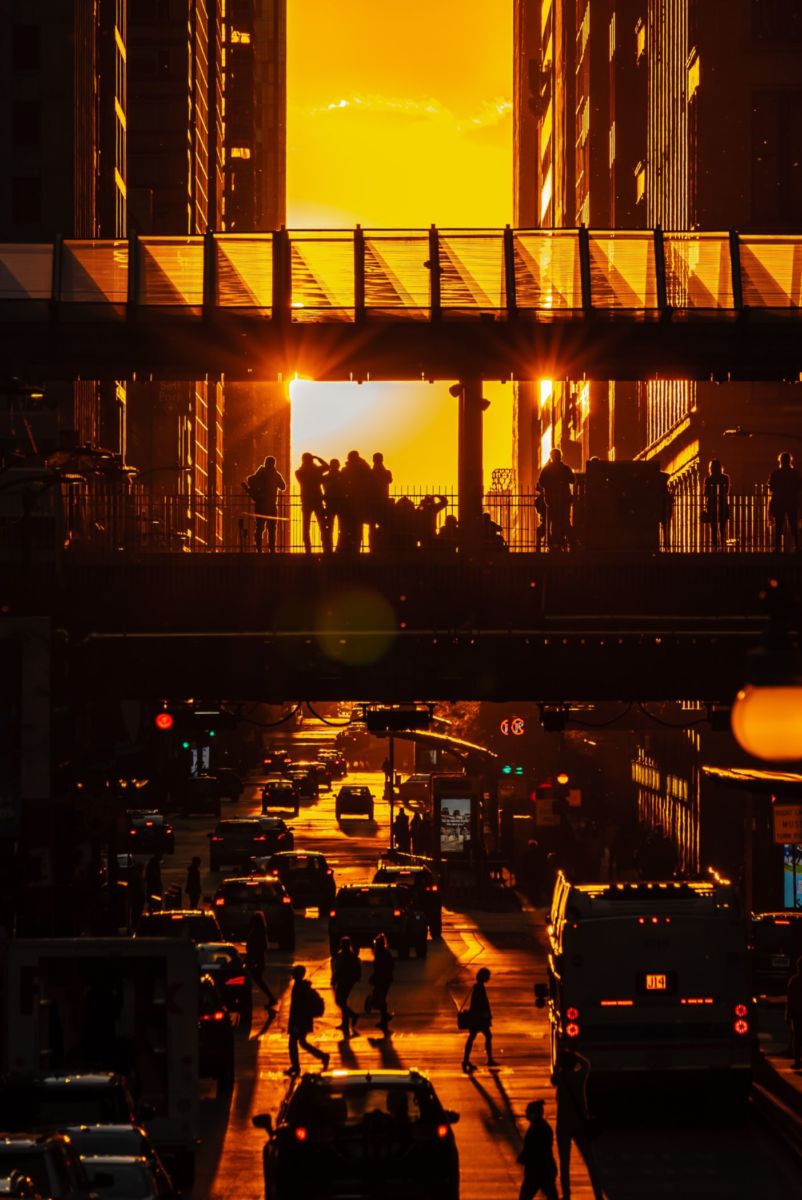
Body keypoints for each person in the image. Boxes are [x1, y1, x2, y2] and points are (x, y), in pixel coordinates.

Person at [553, 1049, 603, 1200]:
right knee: (591, 1161)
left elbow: (553, 1078)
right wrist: (574, 1055)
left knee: (564, 1163)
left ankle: (567, 1194)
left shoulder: (560, 1079)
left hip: (563, 1125)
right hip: (580, 1124)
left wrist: (558, 1066)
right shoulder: (578, 1078)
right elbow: (586, 1065)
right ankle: (598, 1195)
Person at [286, 964, 330, 1076]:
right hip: (303, 1020)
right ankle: (323, 1056)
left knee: (293, 1043)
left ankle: (296, 1067)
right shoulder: (302, 986)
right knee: (302, 1042)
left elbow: (297, 1007)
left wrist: (294, 1024)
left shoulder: (299, 988)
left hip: (299, 1021)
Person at [517, 1099, 559, 1200]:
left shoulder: (538, 1128)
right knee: (551, 1195)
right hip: (544, 1169)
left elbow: (534, 1148)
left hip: (537, 1170)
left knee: (525, 1196)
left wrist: (524, 1157)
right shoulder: (540, 1126)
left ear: (535, 1113)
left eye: (528, 1111)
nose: (526, 1113)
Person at [243, 455, 286, 553]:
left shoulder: (261, 472)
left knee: (260, 527)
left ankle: (259, 547)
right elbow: (283, 486)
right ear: (273, 464)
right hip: (270, 504)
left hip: (261, 503)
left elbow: (250, 480)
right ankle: (271, 548)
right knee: (271, 528)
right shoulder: (275, 474)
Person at [537, 449, 574, 551]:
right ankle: (570, 542)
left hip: (552, 499)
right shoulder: (565, 469)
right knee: (565, 520)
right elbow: (573, 480)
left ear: (551, 457)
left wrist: (550, 486)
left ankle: (554, 543)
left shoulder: (547, 469)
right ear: (560, 456)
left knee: (553, 520)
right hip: (563, 499)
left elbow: (541, 481)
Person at [462, 966, 498, 1071]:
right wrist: (486, 1014)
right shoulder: (479, 988)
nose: (489, 978)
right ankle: (488, 1059)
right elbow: (480, 1003)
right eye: (488, 976)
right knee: (486, 1036)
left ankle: (466, 1060)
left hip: (477, 1017)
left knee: (474, 1037)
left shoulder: (478, 986)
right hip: (479, 1018)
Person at [295, 452, 331, 554]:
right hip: (317, 499)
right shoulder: (316, 471)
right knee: (323, 526)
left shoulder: (299, 472)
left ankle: (308, 550)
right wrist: (318, 457)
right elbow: (327, 466)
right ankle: (326, 549)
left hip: (306, 500)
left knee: (306, 527)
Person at [768, 451, 802, 553]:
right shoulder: (795, 473)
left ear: (780, 461)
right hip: (792, 502)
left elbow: (772, 487)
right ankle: (797, 546)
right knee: (793, 525)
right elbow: (799, 487)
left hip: (779, 502)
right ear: (790, 461)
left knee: (778, 525)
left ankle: (778, 547)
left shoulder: (775, 473)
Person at [340, 450, 373, 553]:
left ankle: (353, 548)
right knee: (355, 528)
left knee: (352, 527)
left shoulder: (350, 469)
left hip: (351, 501)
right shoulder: (360, 469)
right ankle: (355, 548)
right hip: (356, 501)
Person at [331, 935, 362, 1038]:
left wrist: (334, 979)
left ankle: (352, 1015)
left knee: (340, 1001)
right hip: (349, 981)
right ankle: (345, 1023)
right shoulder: (352, 956)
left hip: (344, 981)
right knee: (342, 1001)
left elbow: (338, 970)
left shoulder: (343, 956)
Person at [245, 912, 277, 1007]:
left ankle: (271, 998)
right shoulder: (259, 932)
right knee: (256, 980)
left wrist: (251, 960)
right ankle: (271, 998)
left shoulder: (256, 933)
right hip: (256, 960)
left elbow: (256, 949)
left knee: (252, 980)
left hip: (255, 961)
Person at [368, 933, 395, 1030]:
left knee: (380, 997)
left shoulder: (381, 953)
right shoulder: (384, 952)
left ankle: (385, 1017)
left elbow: (380, 967)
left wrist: (377, 976)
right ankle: (384, 1018)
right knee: (381, 997)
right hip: (385, 978)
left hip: (383, 979)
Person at [702, 457, 730, 551]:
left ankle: (714, 545)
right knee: (722, 526)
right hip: (722, 503)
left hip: (712, 504)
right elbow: (726, 491)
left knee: (713, 526)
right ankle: (722, 544)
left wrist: (711, 494)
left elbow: (705, 493)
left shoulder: (708, 479)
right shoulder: (725, 478)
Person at [370, 452, 393, 550]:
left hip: (375, 501)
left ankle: (376, 546)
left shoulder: (372, 473)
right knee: (382, 525)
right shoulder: (386, 472)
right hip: (381, 501)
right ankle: (378, 546)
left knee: (375, 525)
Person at [323, 458, 345, 551]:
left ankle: (328, 548)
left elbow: (325, 488)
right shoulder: (343, 476)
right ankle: (339, 547)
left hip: (330, 503)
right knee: (341, 528)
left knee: (329, 527)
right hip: (339, 503)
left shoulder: (326, 477)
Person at [786, 955, 802, 1068]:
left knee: (797, 1037)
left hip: (797, 1013)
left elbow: (790, 999)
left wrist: (788, 1014)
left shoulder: (794, 981)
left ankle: (797, 1061)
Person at [656, 461, 674, 550]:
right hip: (665, 507)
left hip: (659, 506)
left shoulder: (656, 487)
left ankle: (661, 545)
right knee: (666, 526)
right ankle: (666, 545)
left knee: (660, 526)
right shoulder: (664, 479)